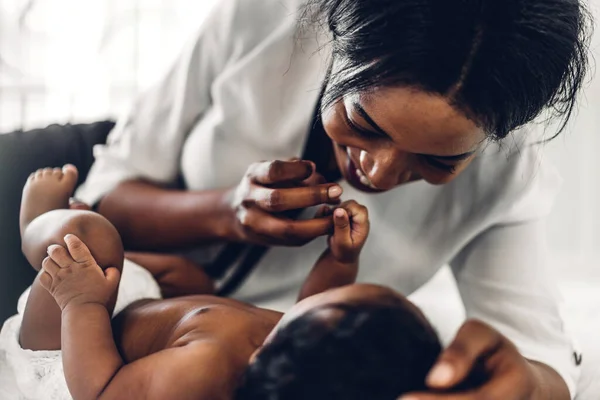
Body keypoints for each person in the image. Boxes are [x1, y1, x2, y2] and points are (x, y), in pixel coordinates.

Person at [11, 0, 593, 398]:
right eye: (364, 122)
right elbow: (104, 192)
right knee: (90, 224)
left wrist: (524, 382)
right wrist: (222, 213)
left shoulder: (507, 173)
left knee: (89, 242)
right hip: (125, 189)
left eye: (439, 160)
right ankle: (38, 222)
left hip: (92, 316)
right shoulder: (268, 17)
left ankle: (48, 229)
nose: (378, 172)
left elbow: (544, 357)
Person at [7, 164, 446, 400]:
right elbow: (315, 301)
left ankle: (38, 230)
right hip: (135, 312)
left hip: (68, 355)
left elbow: (100, 392)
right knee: (192, 278)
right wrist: (340, 257)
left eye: (343, 300)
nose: (341, 291)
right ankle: (100, 260)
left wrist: (81, 301)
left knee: (90, 235)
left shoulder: (203, 373)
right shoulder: (294, 347)